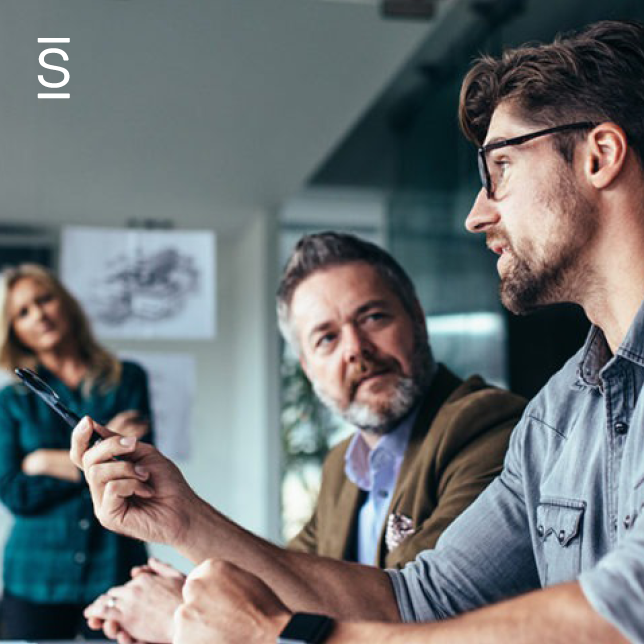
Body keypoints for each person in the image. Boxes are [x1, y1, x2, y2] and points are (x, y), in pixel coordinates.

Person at [69, 18, 644, 643]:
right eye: (323, 338)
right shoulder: (557, 417)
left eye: (500, 166)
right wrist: (183, 520)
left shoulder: (492, 424)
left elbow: (623, 616)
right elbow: (421, 598)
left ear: (598, 155)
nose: (477, 214)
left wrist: (277, 636)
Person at [82, 232, 525, 644]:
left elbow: (417, 612)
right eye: (326, 338)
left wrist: (182, 616)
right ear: (307, 366)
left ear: (417, 319)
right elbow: (285, 584)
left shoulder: (487, 425)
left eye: (372, 317)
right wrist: (195, 595)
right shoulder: (342, 465)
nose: (355, 348)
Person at [0, 263, 153, 640]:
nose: (39, 315)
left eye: (44, 299)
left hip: (115, 568)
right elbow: (13, 491)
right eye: (23, 312)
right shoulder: (11, 401)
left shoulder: (127, 378)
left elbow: (137, 470)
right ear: (13, 328)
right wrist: (97, 460)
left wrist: (42, 462)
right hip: (36, 577)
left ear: (64, 303)